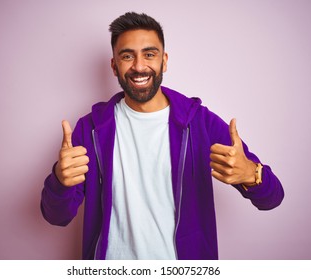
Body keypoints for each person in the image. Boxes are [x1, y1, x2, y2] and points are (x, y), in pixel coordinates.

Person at [41, 12, 284, 260]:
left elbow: (273, 198)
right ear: (114, 65)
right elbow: (56, 217)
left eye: (149, 54)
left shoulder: (199, 123)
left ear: (164, 61)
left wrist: (252, 175)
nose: (138, 66)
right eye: (127, 56)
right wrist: (60, 181)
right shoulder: (90, 129)